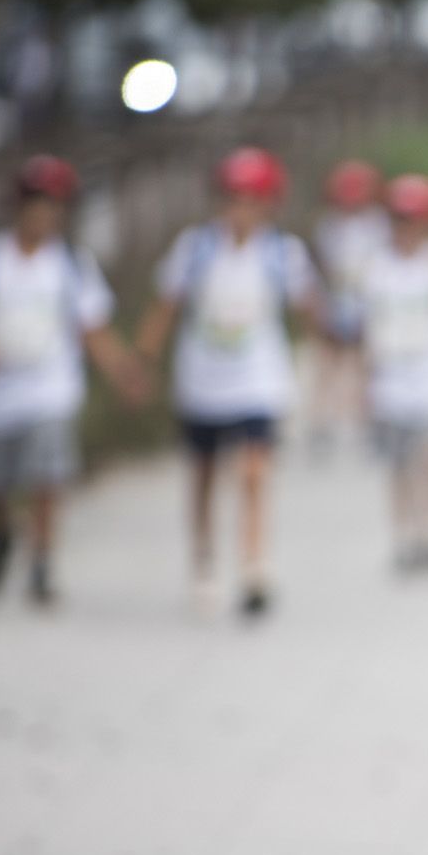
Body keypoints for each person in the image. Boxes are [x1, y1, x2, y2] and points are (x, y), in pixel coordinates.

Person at [0, 154, 146, 606]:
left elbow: (94, 330)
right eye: (36, 204)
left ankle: (41, 562)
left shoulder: (71, 264)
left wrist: (124, 372)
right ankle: (0, 536)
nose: (44, 215)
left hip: (50, 389)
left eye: (53, 206)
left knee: (45, 477)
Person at [137, 147, 319, 618]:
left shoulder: (283, 253)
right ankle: (204, 563)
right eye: (234, 198)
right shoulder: (195, 249)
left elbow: (310, 309)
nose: (242, 209)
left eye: (252, 199)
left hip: (258, 379)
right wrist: (143, 359)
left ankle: (254, 564)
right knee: (203, 476)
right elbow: (166, 307)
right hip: (203, 381)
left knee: (255, 472)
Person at [361, 173, 428, 571]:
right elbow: (366, 329)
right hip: (392, 380)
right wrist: (364, 386)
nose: (406, 227)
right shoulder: (376, 268)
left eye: (413, 218)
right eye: (399, 218)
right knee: (400, 462)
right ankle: (407, 532)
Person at [308, 160, 388, 451]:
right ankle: (321, 424)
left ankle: (369, 422)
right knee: (329, 364)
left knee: (366, 366)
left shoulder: (377, 223)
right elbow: (323, 267)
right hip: (337, 300)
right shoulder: (328, 225)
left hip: (366, 302)